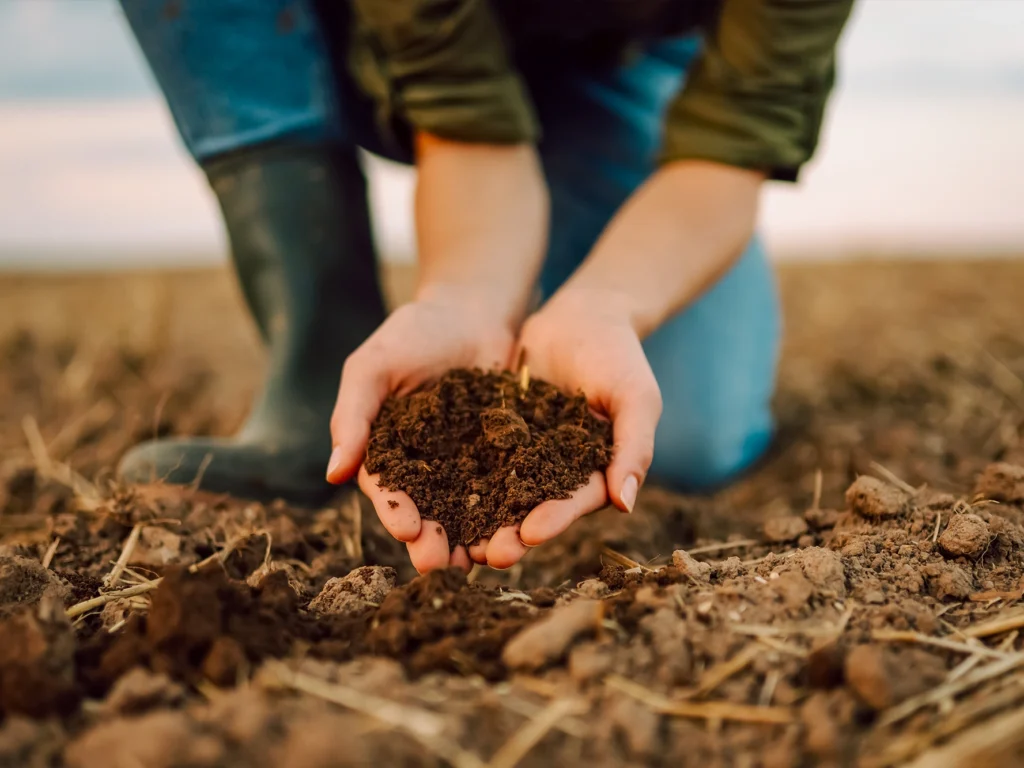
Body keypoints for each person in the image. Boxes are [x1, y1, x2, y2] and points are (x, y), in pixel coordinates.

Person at [117, 0, 854, 574]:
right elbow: (465, 119)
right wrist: (460, 303)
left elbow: (727, 152)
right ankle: (318, 362)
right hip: (360, 36)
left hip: (612, 61)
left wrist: (607, 304)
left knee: (692, 437)